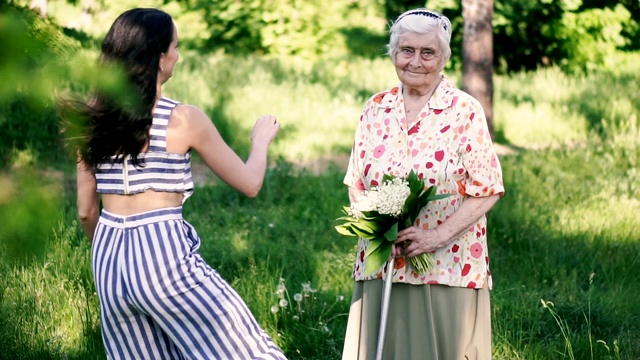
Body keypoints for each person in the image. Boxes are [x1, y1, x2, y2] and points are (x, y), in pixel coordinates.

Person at [65, 8, 287, 359]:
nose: (178, 56)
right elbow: (250, 183)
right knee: (247, 350)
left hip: (107, 258)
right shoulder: (182, 118)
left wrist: (118, 256)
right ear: (159, 57)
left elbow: (85, 211)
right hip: (161, 253)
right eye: (175, 47)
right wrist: (260, 139)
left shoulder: (90, 118)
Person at [341, 8, 505, 360]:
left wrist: (435, 236)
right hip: (382, 263)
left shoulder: (464, 110)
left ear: (443, 58)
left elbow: (488, 187)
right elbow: (356, 182)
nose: (415, 61)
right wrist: (376, 230)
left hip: (447, 265)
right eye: (406, 50)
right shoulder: (375, 108)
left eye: (427, 52)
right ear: (393, 53)